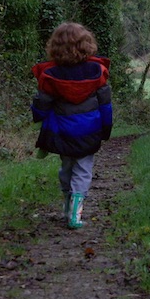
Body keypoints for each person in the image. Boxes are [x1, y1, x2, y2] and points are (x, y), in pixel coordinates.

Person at [31, 22, 112, 229]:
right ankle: (75, 213)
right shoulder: (98, 71)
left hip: (63, 132)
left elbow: (42, 104)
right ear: (87, 45)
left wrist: (37, 116)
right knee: (83, 170)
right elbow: (105, 104)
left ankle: (67, 205)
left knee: (66, 167)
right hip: (90, 130)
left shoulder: (50, 74)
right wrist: (106, 128)